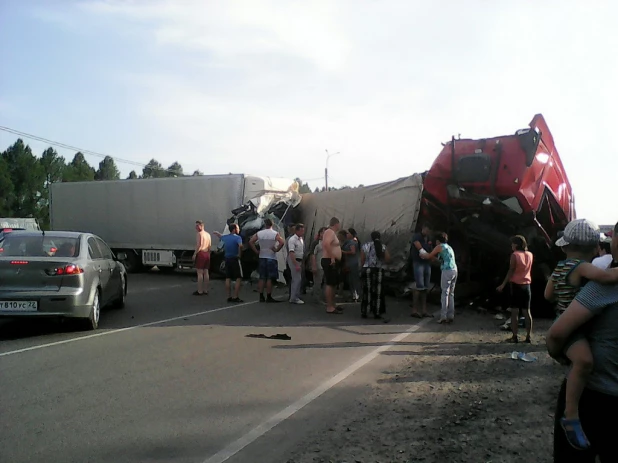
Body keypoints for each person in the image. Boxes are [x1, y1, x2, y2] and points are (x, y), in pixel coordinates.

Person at [544, 219, 618, 450]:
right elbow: (606, 278)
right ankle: (572, 414)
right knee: (584, 361)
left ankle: (570, 413)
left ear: (564, 246)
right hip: (573, 331)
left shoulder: (560, 267)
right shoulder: (584, 268)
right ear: (596, 248)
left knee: (580, 361)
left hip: (565, 323)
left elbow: (548, 296)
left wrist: (564, 298)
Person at [497, 235, 534, 343]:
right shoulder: (530, 254)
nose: (511, 246)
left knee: (515, 312)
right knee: (527, 312)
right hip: (527, 285)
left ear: (516, 244)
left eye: (512, 243)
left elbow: (511, 270)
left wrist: (503, 285)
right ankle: (528, 336)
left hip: (516, 285)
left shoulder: (515, 255)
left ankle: (515, 336)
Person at [420, 232, 458, 324]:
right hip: (454, 270)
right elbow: (442, 260)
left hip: (447, 271)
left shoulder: (439, 246)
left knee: (444, 293)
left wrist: (422, 254)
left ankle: (443, 316)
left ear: (437, 241)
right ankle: (451, 315)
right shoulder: (448, 247)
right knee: (451, 294)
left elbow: (429, 256)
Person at [249, 218, 285, 303]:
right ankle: (269, 296)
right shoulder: (275, 233)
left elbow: (251, 242)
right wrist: (276, 249)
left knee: (262, 277)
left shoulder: (260, 233)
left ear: (265, 225)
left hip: (262, 256)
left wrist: (256, 251)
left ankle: (261, 296)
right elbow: (282, 242)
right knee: (269, 278)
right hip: (271, 257)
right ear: (272, 224)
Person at [360, 231, 390, 319]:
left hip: (368, 270)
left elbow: (362, 260)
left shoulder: (365, 246)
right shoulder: (383, 247)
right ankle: (377, 312)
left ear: (371, 237)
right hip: (379, 271)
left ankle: (365, 311)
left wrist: (361, 269)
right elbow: (388, 259)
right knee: (378, 292)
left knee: (367, 291)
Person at [213, 224, 244, 303]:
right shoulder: (238, 238)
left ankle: (228, 296)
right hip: (235, 259)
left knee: (228, 277)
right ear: (234, 229)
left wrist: (217, 233)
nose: (239, 229)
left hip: (227, 259)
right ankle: (235, 296)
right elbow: (240, 246)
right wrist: (239, 254)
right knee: (238, 277)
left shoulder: (226, 237)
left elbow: (221, 237)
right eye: (237, 228)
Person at [410, 223, 434, 318]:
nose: (427, 232)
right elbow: (419, 247)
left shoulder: (428, 239)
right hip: (418, 263)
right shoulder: (417, 236)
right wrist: (426, 254)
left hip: (427, 264)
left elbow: (431, 250)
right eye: (427, 229)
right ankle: (414, 310)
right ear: (423, 228)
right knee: (419, 286)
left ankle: (424, 310)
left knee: (425, 288)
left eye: (429, 231)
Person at [322, 217, 343, 314]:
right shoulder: (329, 232)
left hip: (332, 260)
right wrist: (332, 257)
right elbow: (326, 244)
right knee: (330, 283)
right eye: (339, 224)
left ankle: (332, 304)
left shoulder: (332, 233)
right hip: (329, 260)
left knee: (333, 283)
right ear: (336, 224)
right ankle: (329, 307)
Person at [287, 223, 305, 304]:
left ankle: (295, 296)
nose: (303, 232)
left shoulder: (300, 239)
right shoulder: (292, 240)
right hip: (294, 260)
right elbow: (291, 252)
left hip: (299, 260)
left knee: (297, 279)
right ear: (297, 231)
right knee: (296, 279)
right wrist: (296, 264)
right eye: (301, 231)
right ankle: (294, 298)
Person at [193, 220, 212, 296]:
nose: (196, 227)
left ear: (202, 226)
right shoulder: (208, 235)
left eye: (198, 225)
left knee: (200, 272)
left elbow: (199, 245)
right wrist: (209, 254)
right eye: (196, 226)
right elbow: (209, 245)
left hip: (201, 253)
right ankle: (206, 290)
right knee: (206, 271)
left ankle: (200, 290)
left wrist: (195, 254)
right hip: (206, 253)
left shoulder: (199, 234)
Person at [342, 229, 361, 302]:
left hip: (353, 263)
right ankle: (353, 294)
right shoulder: (348, 242)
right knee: (350, 279)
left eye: (348, 233)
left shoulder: (353, 242)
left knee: (354, 279)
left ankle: (356, 295)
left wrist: (343, 252)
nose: (347, 234)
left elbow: (353, 252)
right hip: (349, 262)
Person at [310, 227, 327, 303]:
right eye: (323, 232)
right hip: (318, 265)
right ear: (320, 233)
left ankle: (323, 297)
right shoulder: (316, 243)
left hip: (326, 266)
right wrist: (314, 266)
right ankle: (317, 299)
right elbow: (312, 254)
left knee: (325, 283)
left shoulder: (327, 242)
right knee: (317, 282)